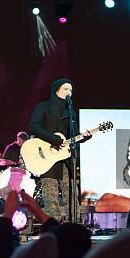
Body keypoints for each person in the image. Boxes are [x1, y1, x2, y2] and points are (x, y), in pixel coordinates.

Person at [29, 78, 91, 221]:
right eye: (66, 89)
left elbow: (73, 135)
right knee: (50, 196)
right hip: (46, 155)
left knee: (71, 193)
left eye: (71, 90)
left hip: (65, 158)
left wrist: (85, 136)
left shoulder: (70, 111)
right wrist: (53, 138)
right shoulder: (43, 106)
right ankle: (52, 226)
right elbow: (35, 126)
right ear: (56, 90)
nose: (69, 92)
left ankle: (73, 224)